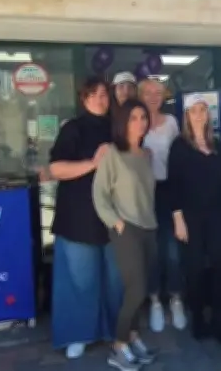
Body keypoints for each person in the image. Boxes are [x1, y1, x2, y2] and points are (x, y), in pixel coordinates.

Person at [47, 76, 122, 359]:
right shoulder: (73, 128)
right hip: (78, 216)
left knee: (115, 280)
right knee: (80, 280)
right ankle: (78, 334)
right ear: (84, 98)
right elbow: (56, 169)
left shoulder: (117, 128)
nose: (100, 99)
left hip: (114, 216)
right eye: (94, 95)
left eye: (104, 94)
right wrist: (93, 163)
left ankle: (116, 331)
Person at [92, 98, 158, 371]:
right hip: (126, 228)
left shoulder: (146, 155)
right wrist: (116, 223)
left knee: (141, 290)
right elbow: (99, 194)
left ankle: (132, 337)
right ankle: (118, 346)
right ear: (123, 122)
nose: (140, 123)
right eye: (133, 118)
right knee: (136, 289)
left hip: (149, 227)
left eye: (143, 117)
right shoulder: (112, 154)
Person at [167, 93, 221, 341]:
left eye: (203, 110)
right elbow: (173, 185)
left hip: (216, 215)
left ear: (208, 114)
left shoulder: (218, 145)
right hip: (190, 216)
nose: (199, 115)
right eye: (194, 111)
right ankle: (198, 319)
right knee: (194, 267)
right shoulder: (179, 146)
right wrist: (178, 219)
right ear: (186, 115)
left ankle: (220, 319)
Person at [138, 79, 186, 333]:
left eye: (158, 92)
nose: (154, 96)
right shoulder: (135, 122)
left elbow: (180, 158)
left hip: (170, 191)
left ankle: (176, 299)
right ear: (140, 95)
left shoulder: (171, 123)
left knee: (172, 250)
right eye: (148, 92)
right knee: (152, 251)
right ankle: (155, 301)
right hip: (144, 192)